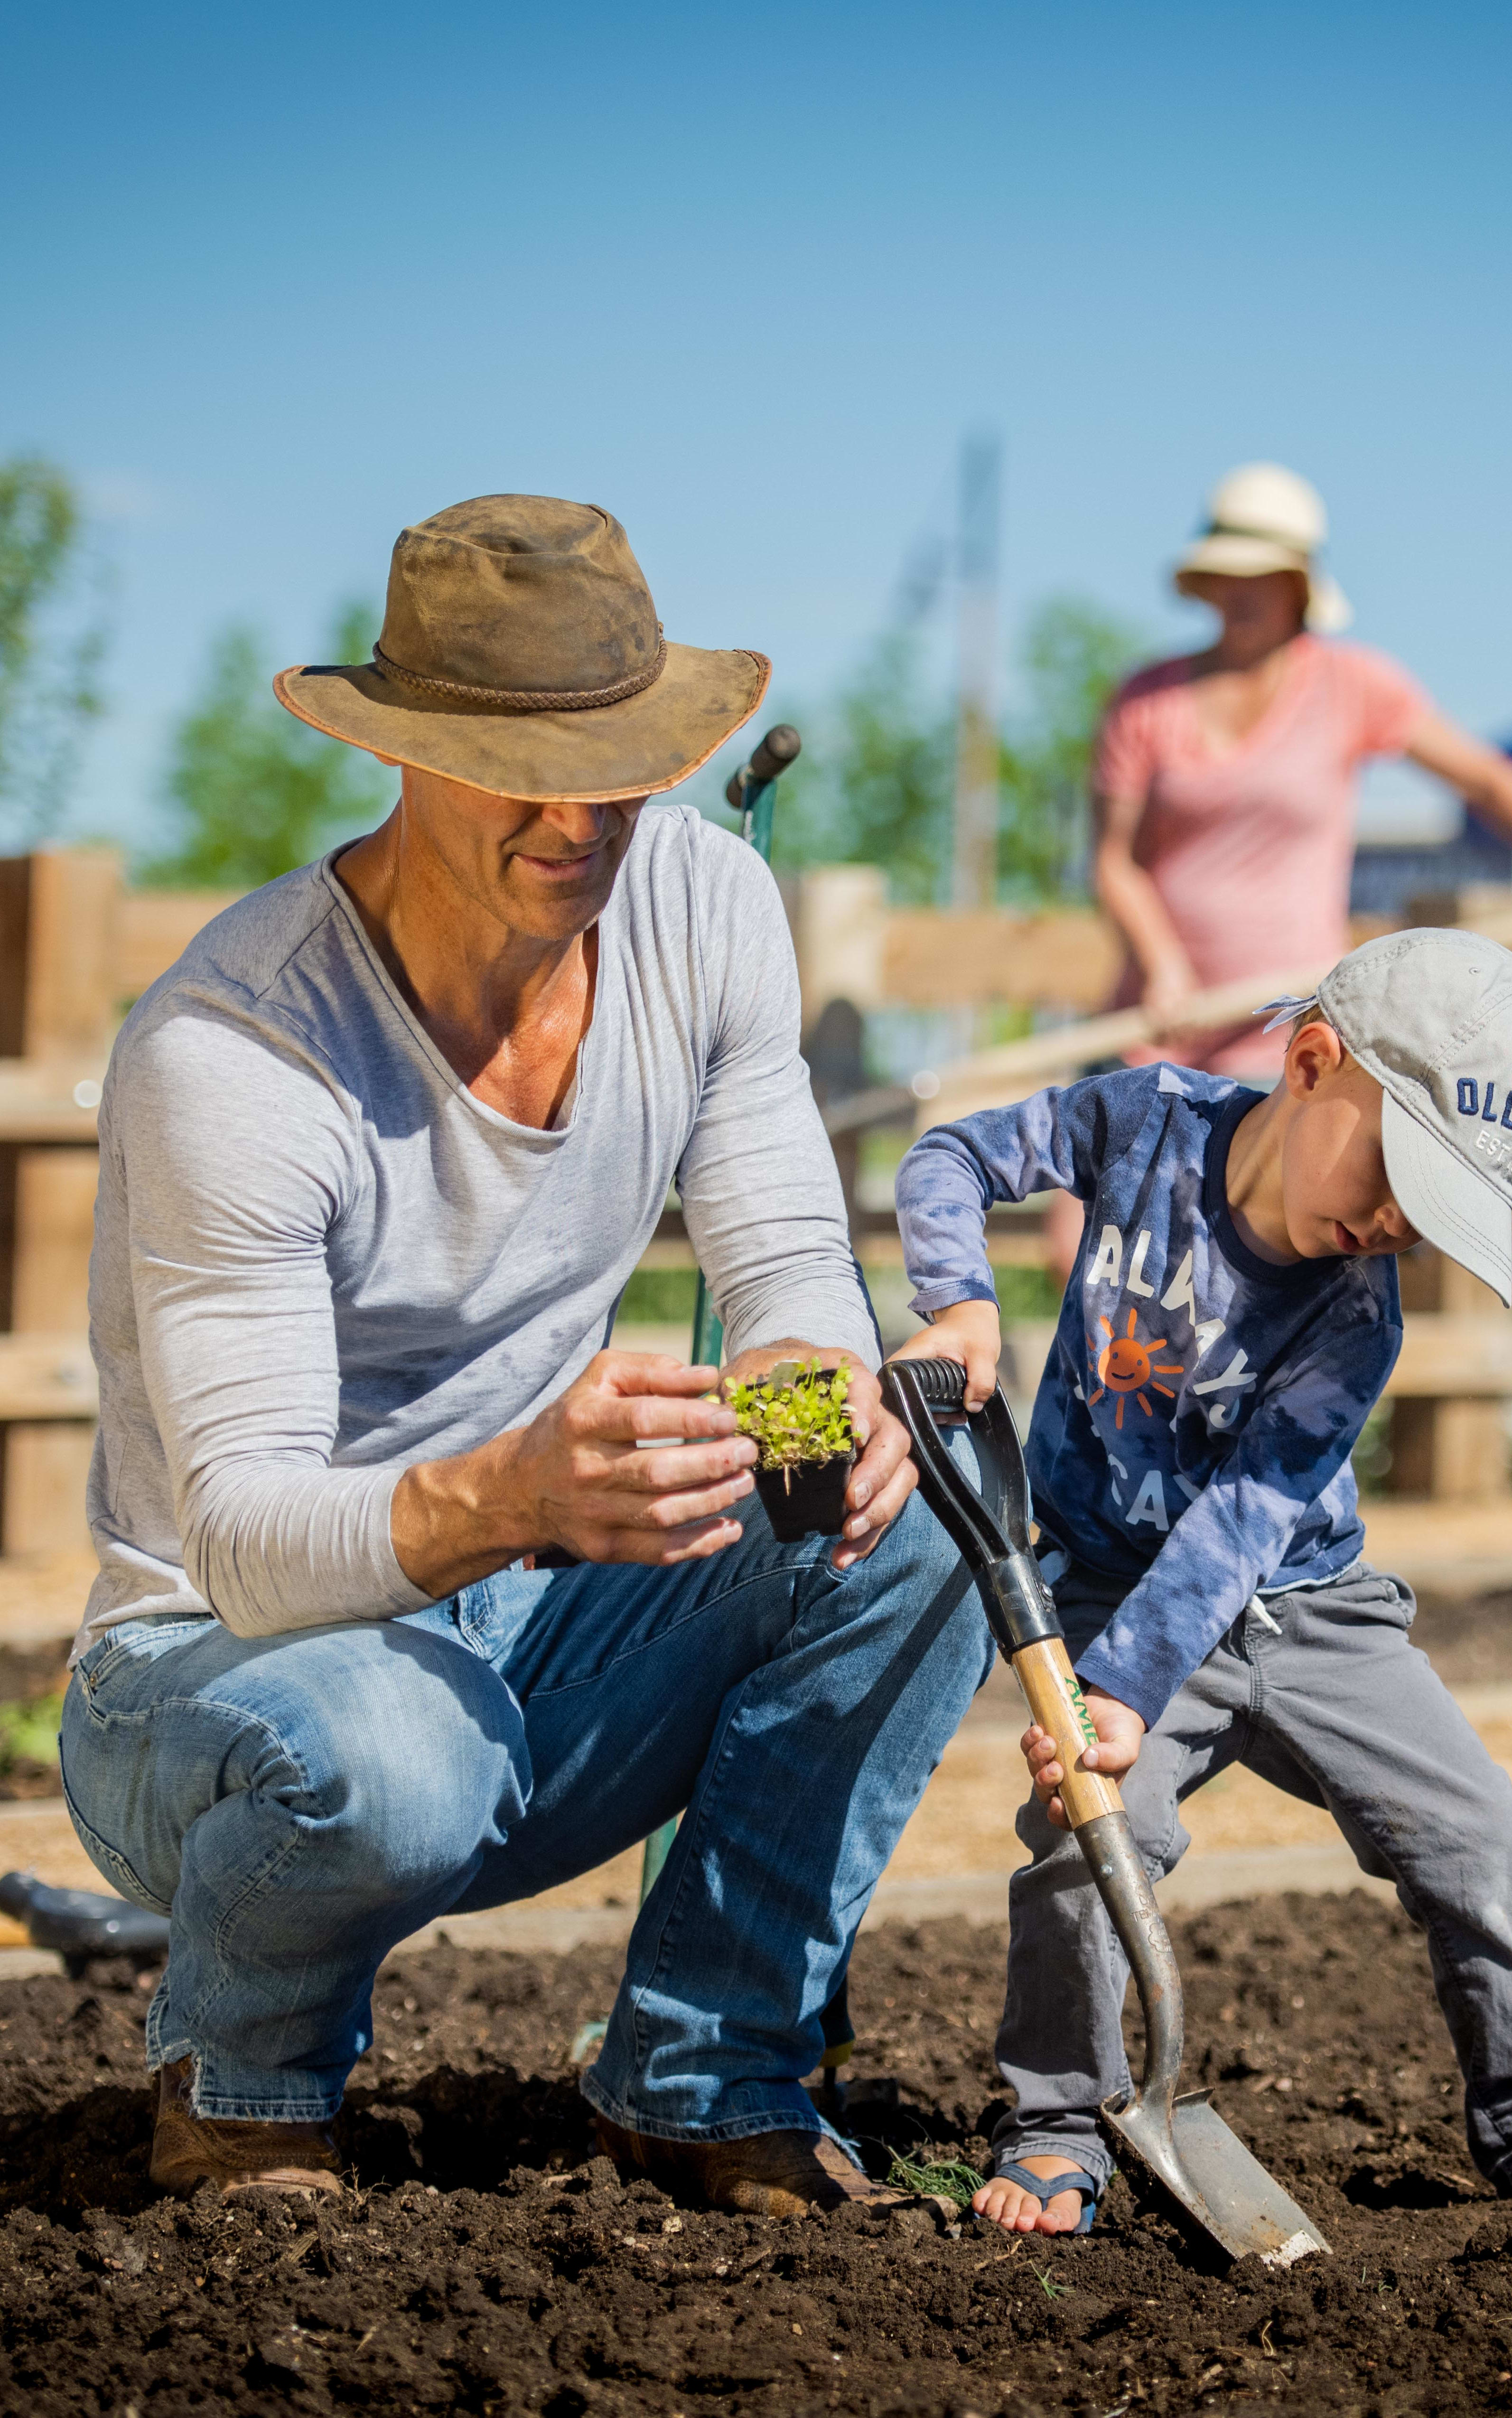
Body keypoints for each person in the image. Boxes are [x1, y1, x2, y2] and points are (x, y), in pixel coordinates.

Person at [61, 494, 992, 2210]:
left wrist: (821, 1422)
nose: (580, 820)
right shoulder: (240, 1049)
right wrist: (512, 1490)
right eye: (519, 768)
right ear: (405, 754)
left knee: (930, 1512)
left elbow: (785, 1251)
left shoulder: (702, 908)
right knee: (392, 1755)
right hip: (221, 1671)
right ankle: (244, 2081)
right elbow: (249, 1539)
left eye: (618, 764)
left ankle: (706, 2075)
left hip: (528, 1607)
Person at [894, 929, 1512, 2241]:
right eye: (1397, 1175)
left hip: (1316, 1614)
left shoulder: (1358, 1314)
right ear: (1312, 1063)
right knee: (1090, 1839)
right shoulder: (1140, 1121)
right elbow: (950, 1157)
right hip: (1113, 1586)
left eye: (1430, 1217)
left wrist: (1121, 1692)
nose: (1391, 1225)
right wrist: (962, 1303)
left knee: (1479, 1835)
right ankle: (1057, 2119)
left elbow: (1246, 1517)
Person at [1043, 463, 1512, 1284]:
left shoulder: (1351, 685)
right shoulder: (1147, 701)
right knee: (1090, 1251)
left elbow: (1484, 779)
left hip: (1290, 1039)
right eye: (1226, 574)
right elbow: (1113, 861)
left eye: (1262, 575)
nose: (1240, 592)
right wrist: (1161, 959)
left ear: (1300, 585)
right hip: (1160, 1020)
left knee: (1245, 1273)